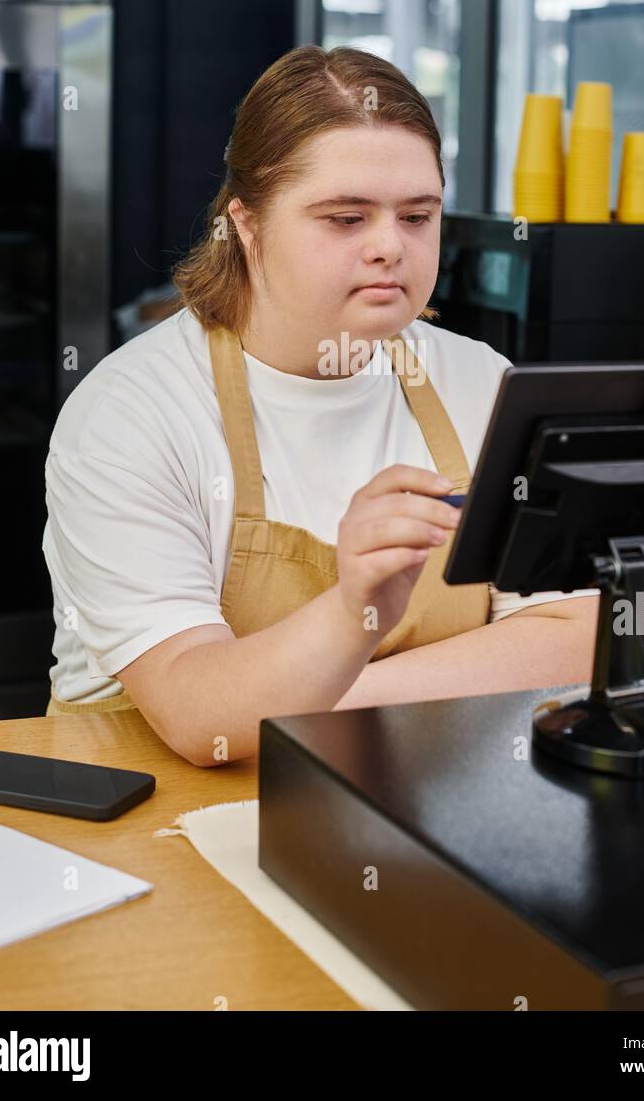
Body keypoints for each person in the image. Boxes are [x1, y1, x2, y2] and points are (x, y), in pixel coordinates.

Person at [44, 45, 599, 764]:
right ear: (245, 226)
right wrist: (349, 613)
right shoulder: (130, 416)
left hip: (409, 790)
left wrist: (317, 701)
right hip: (154, 813)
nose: (389, 248)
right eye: (345, 218)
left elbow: (571, 634)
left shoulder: (482, 382)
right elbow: (200, 714)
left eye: (417, 217)